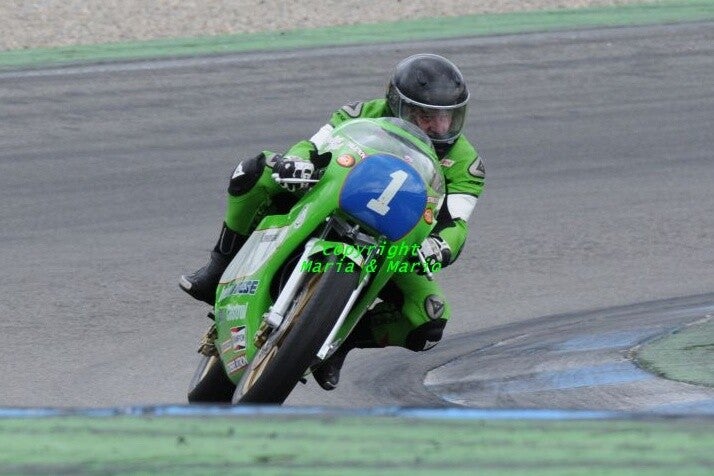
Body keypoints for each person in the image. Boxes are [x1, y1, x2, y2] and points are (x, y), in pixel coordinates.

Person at [180, 53, 485, 390]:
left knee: (428, 318)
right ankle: (219, 266)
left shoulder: (467, 164)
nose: (439, 128)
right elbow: (313, 146)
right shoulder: (359, 114)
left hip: (395, 248)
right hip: (329, 200)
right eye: (426, 117)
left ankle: (342, 342)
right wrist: (297, 162)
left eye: (447, 118)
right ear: (398, 105)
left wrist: (439, 246)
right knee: (254, 171)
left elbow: (457, 223)